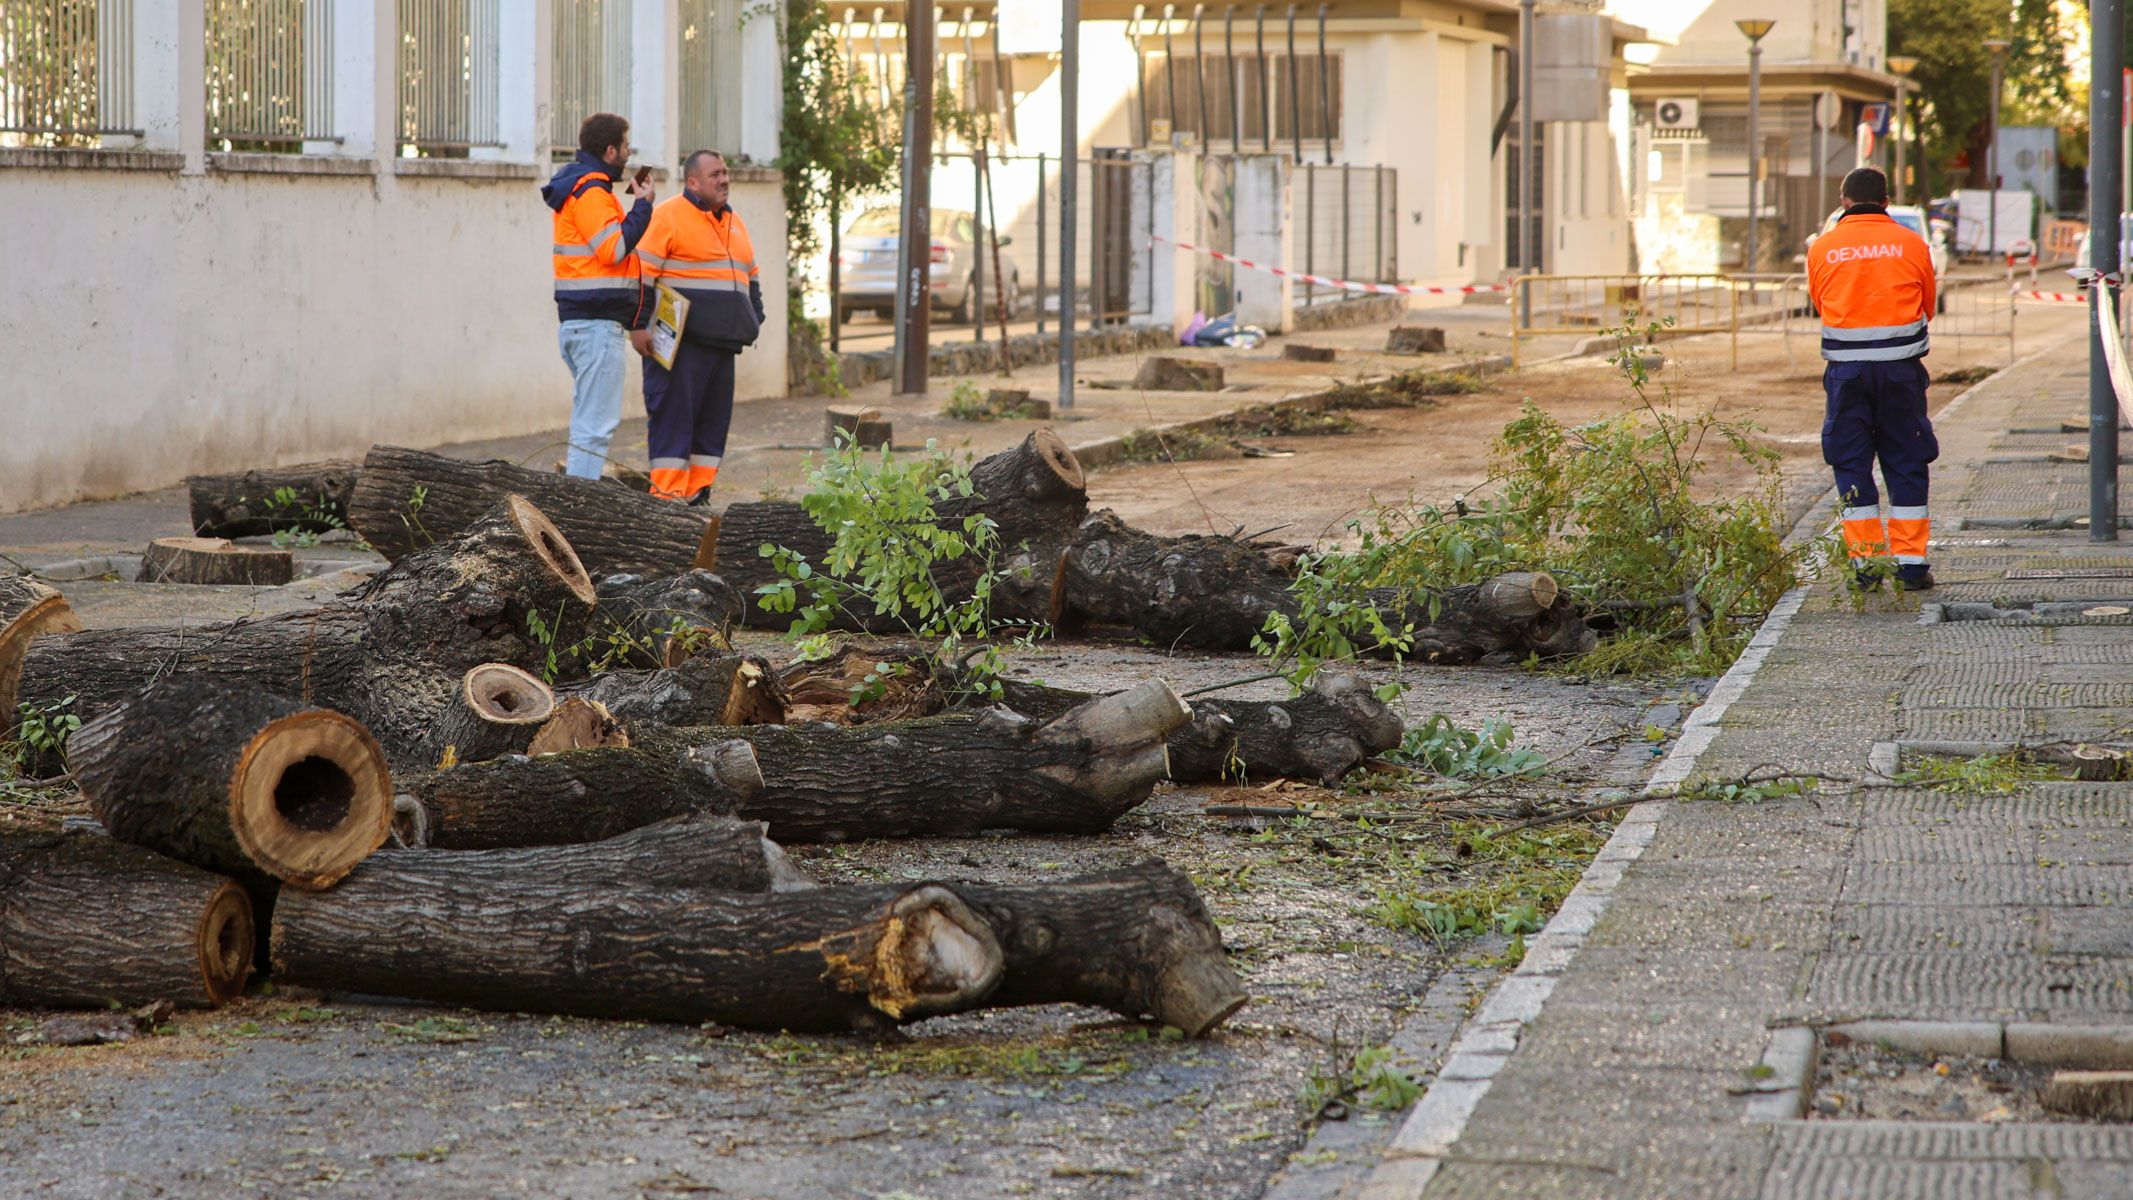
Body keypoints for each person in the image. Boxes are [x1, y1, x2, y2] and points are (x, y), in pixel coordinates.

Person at [1808, 166, 1939, 592]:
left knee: (1851, 462)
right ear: (1886, 202)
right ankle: (1911, 567)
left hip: (1846, 375)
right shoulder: (1912, 244)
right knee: (1906, 460)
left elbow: (1820, 305)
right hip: (1901, 372)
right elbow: (1928, 305)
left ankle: (1865, 568)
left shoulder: (1822, 248)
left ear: (1844, 200)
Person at [630, 149, 764, 501]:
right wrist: (638, 325)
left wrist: (754, 319)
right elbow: (640, 274)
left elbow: (751, 277)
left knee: (712, 427)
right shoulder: (668, 216)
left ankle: (698, 495)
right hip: (679, 345)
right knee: (673, 422)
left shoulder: (735, 222)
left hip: (723, 344)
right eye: (715, 174)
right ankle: (667, 499)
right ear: (692, 182)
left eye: (725, 173)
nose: (724, 179)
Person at [541, 113, 655, 480]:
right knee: (595, 427)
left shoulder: (584, 188)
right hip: (595, 329)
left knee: (587, 423)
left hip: (585, 325)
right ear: (610, 151)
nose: (629, 153)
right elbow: (614, 249)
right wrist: (643, 207)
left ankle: (575, 500)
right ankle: (579, 508)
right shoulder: (591, 191)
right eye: (625, 146)